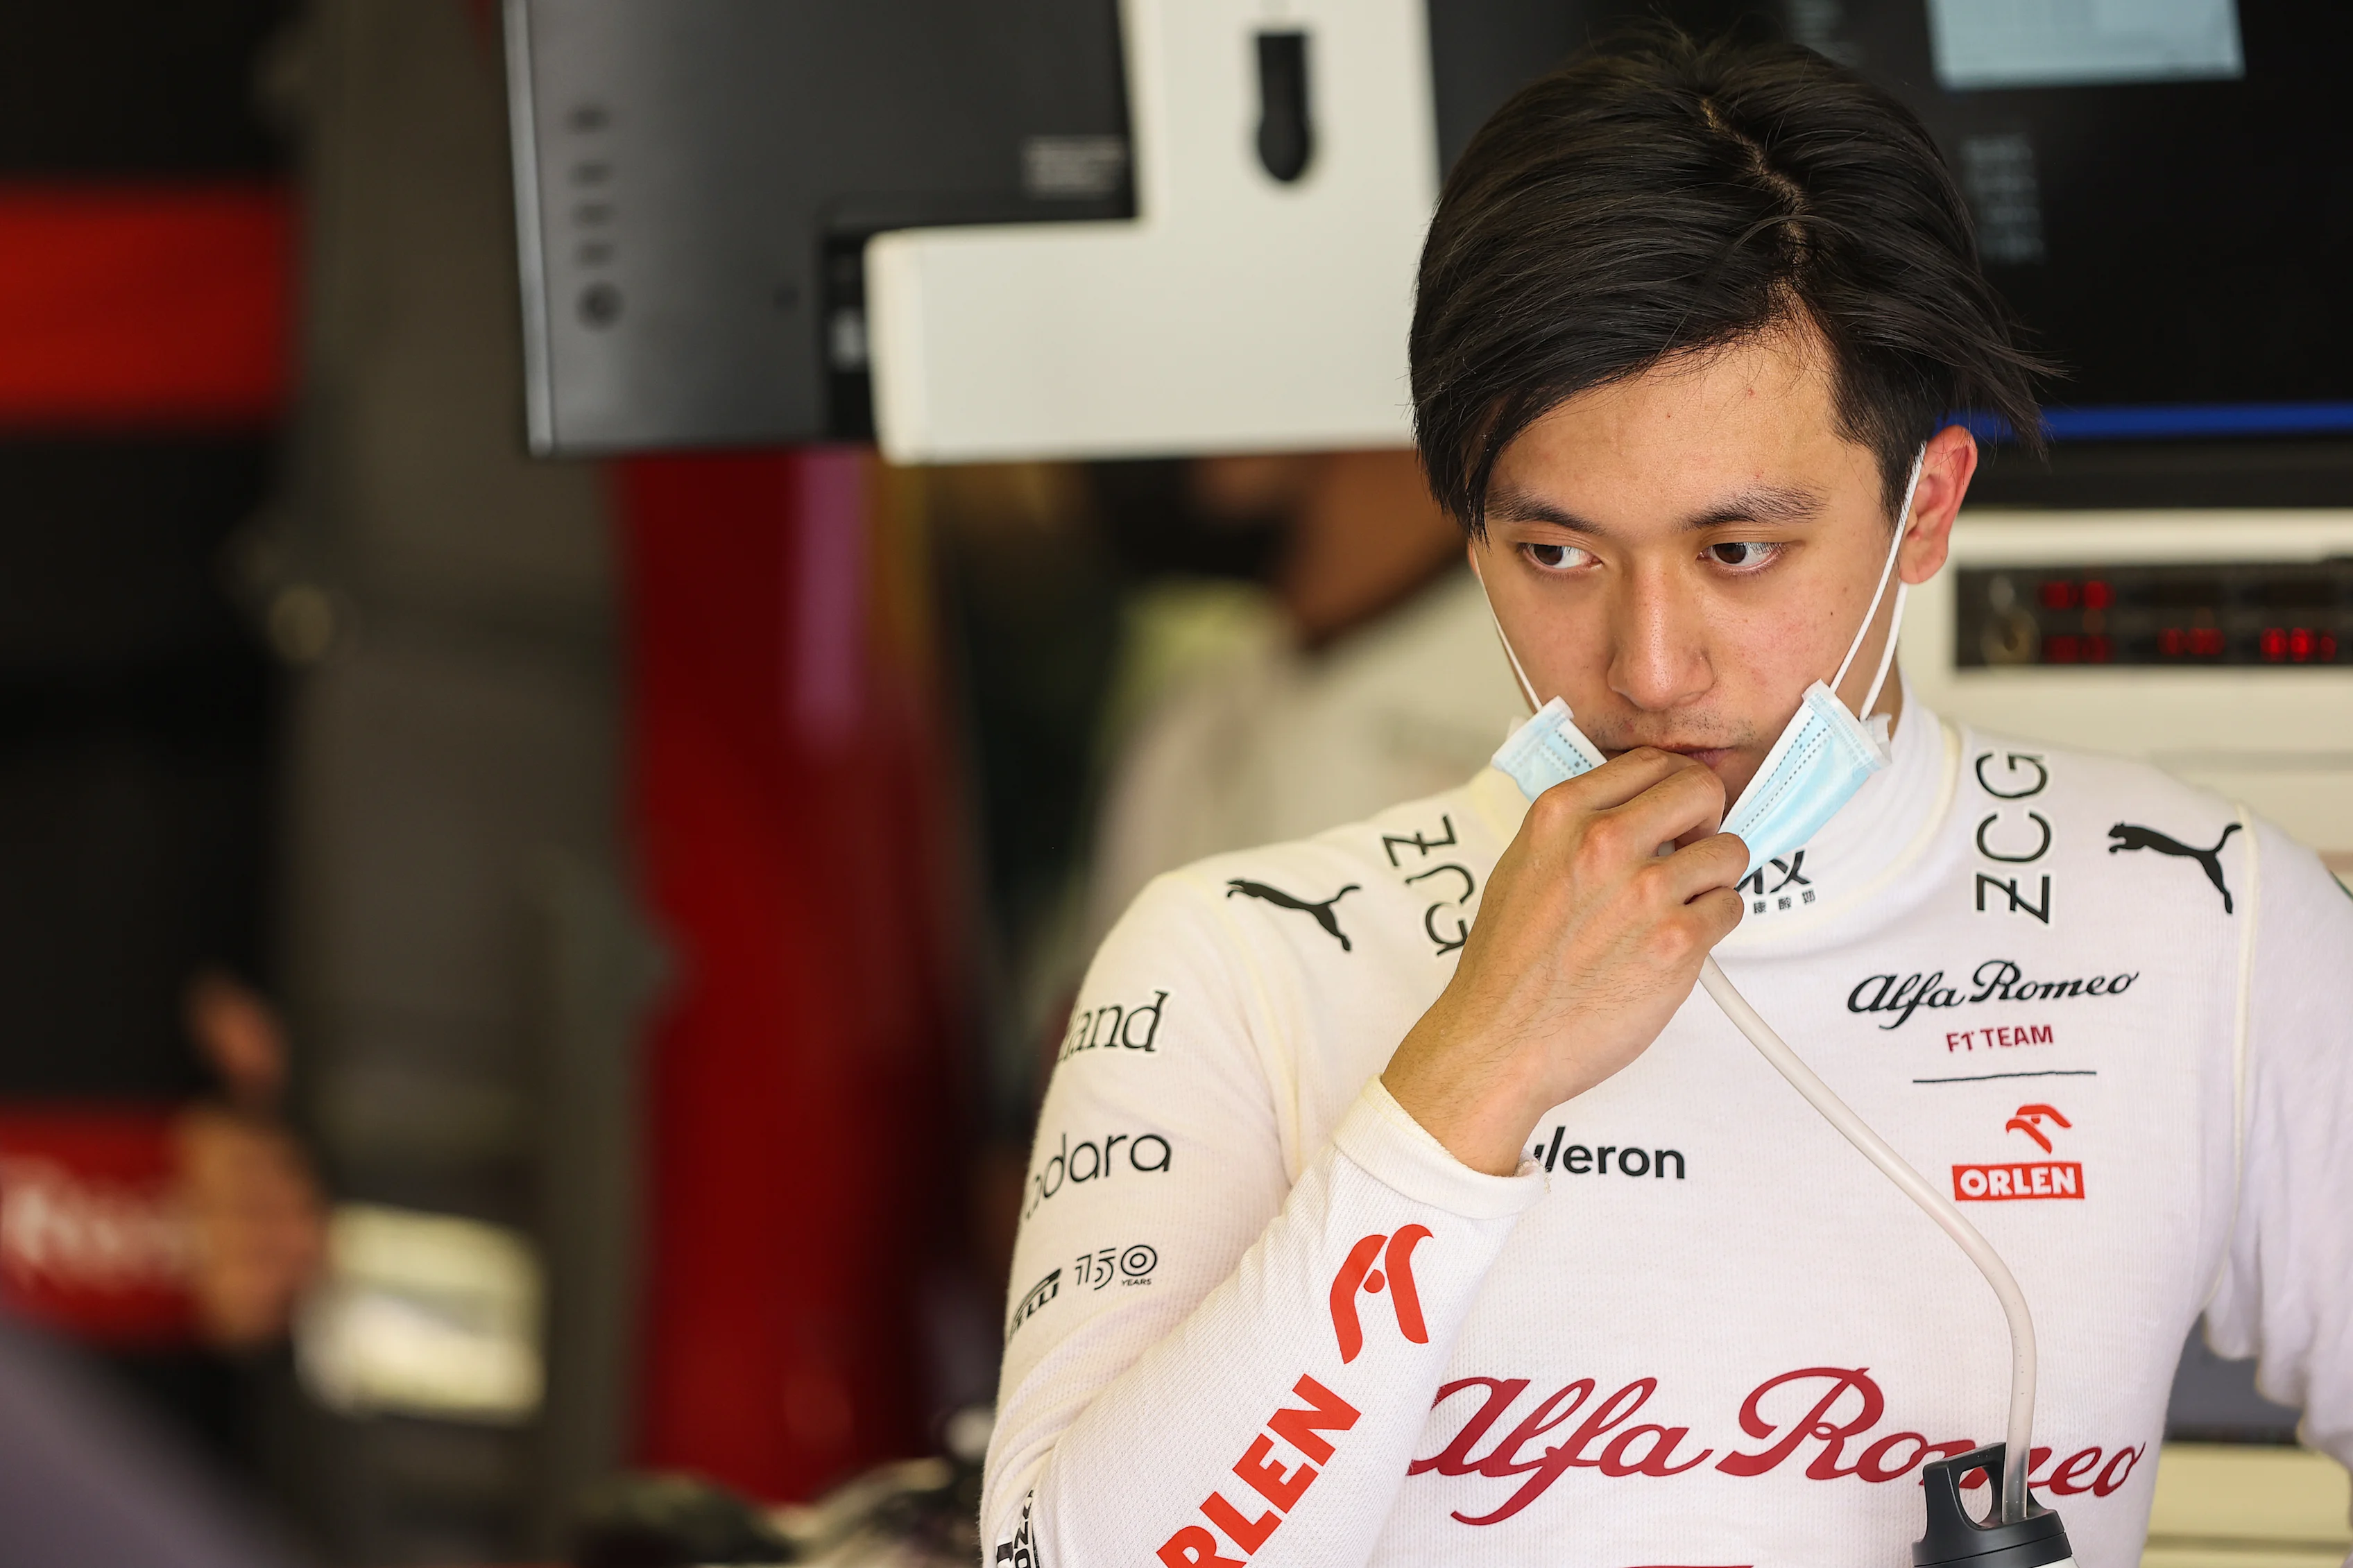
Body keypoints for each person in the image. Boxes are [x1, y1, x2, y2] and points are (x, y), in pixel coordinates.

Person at [981, 27, 2353, 1567]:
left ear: (1927, 508)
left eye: (1736, 551)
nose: (1647, 668)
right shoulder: (1231, 962)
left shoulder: (2203, 921)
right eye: (1555, 552)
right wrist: (1466, 1081)